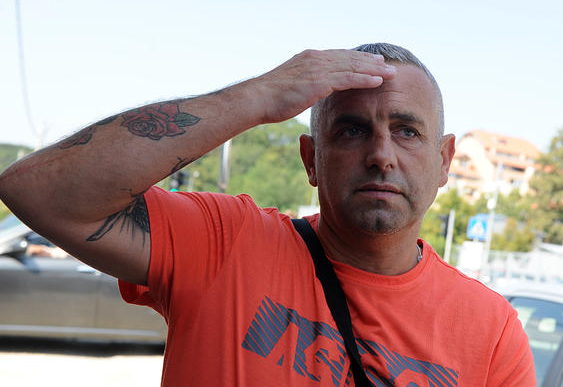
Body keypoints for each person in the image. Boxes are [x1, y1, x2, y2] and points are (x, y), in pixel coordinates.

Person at [0, 43, 535, 386]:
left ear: (444, 161)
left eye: (406, 130)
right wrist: (259, 96)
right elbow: (36, 190)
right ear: (311, 160)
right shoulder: (225, 243)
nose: (381, 154)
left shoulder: (491, 331)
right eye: (351, 130)